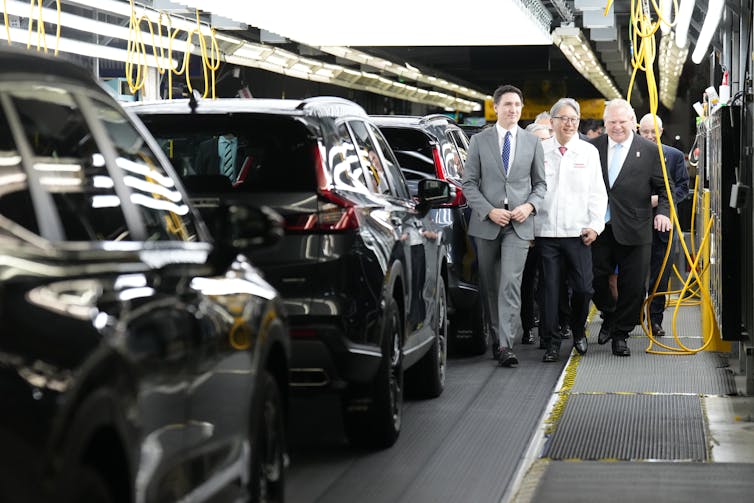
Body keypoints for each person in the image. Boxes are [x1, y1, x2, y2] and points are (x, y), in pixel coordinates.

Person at [462, 84, 546, 366]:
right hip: (488, 223)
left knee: (510, 282)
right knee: (490, 284)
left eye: (517, 105)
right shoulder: (479, 141)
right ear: (496, 107)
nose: (512, 109)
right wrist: (489, 211)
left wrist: (528, 206)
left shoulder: (532, 143)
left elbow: (540, 184)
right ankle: (497, 334)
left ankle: (505, 345)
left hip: (519, 224)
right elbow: (469, 184)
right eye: (507, 104)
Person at [589, 100, 673, 357]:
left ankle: (621, 334)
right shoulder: (591, 148)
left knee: (633, 285)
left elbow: (665, 189)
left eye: (622, 122)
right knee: (593, 279)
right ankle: (610, 314)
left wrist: (663, 213)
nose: (617, 127)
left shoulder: (649, 151)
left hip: (636, 227)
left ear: (632, 123)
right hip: (598, 226)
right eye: (611, 122)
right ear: (605, 124)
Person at [535, 98, 608, 362]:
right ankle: (553, 341)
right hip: (546, 233)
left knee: (583, 289)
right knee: (550, 291)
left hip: (578, 234)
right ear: (552, 122)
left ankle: (578, 330)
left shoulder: (588, 152)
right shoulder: (539, 150)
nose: (569, 124)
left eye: (573, 119)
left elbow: (598, 194)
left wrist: (595, 226)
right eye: (563, 119)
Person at [638, 113, 690, 337]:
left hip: (665, 221)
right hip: (636, 222)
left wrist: (659, 201)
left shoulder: (675, 156)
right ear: (639, 131)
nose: (649, 136)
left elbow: (682, 188)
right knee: (636, 272)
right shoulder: (632, 155)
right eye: (645, 131)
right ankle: (634, 315)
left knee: (661, 271)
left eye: (653, 132)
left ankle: (655, 319)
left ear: (660, 132)